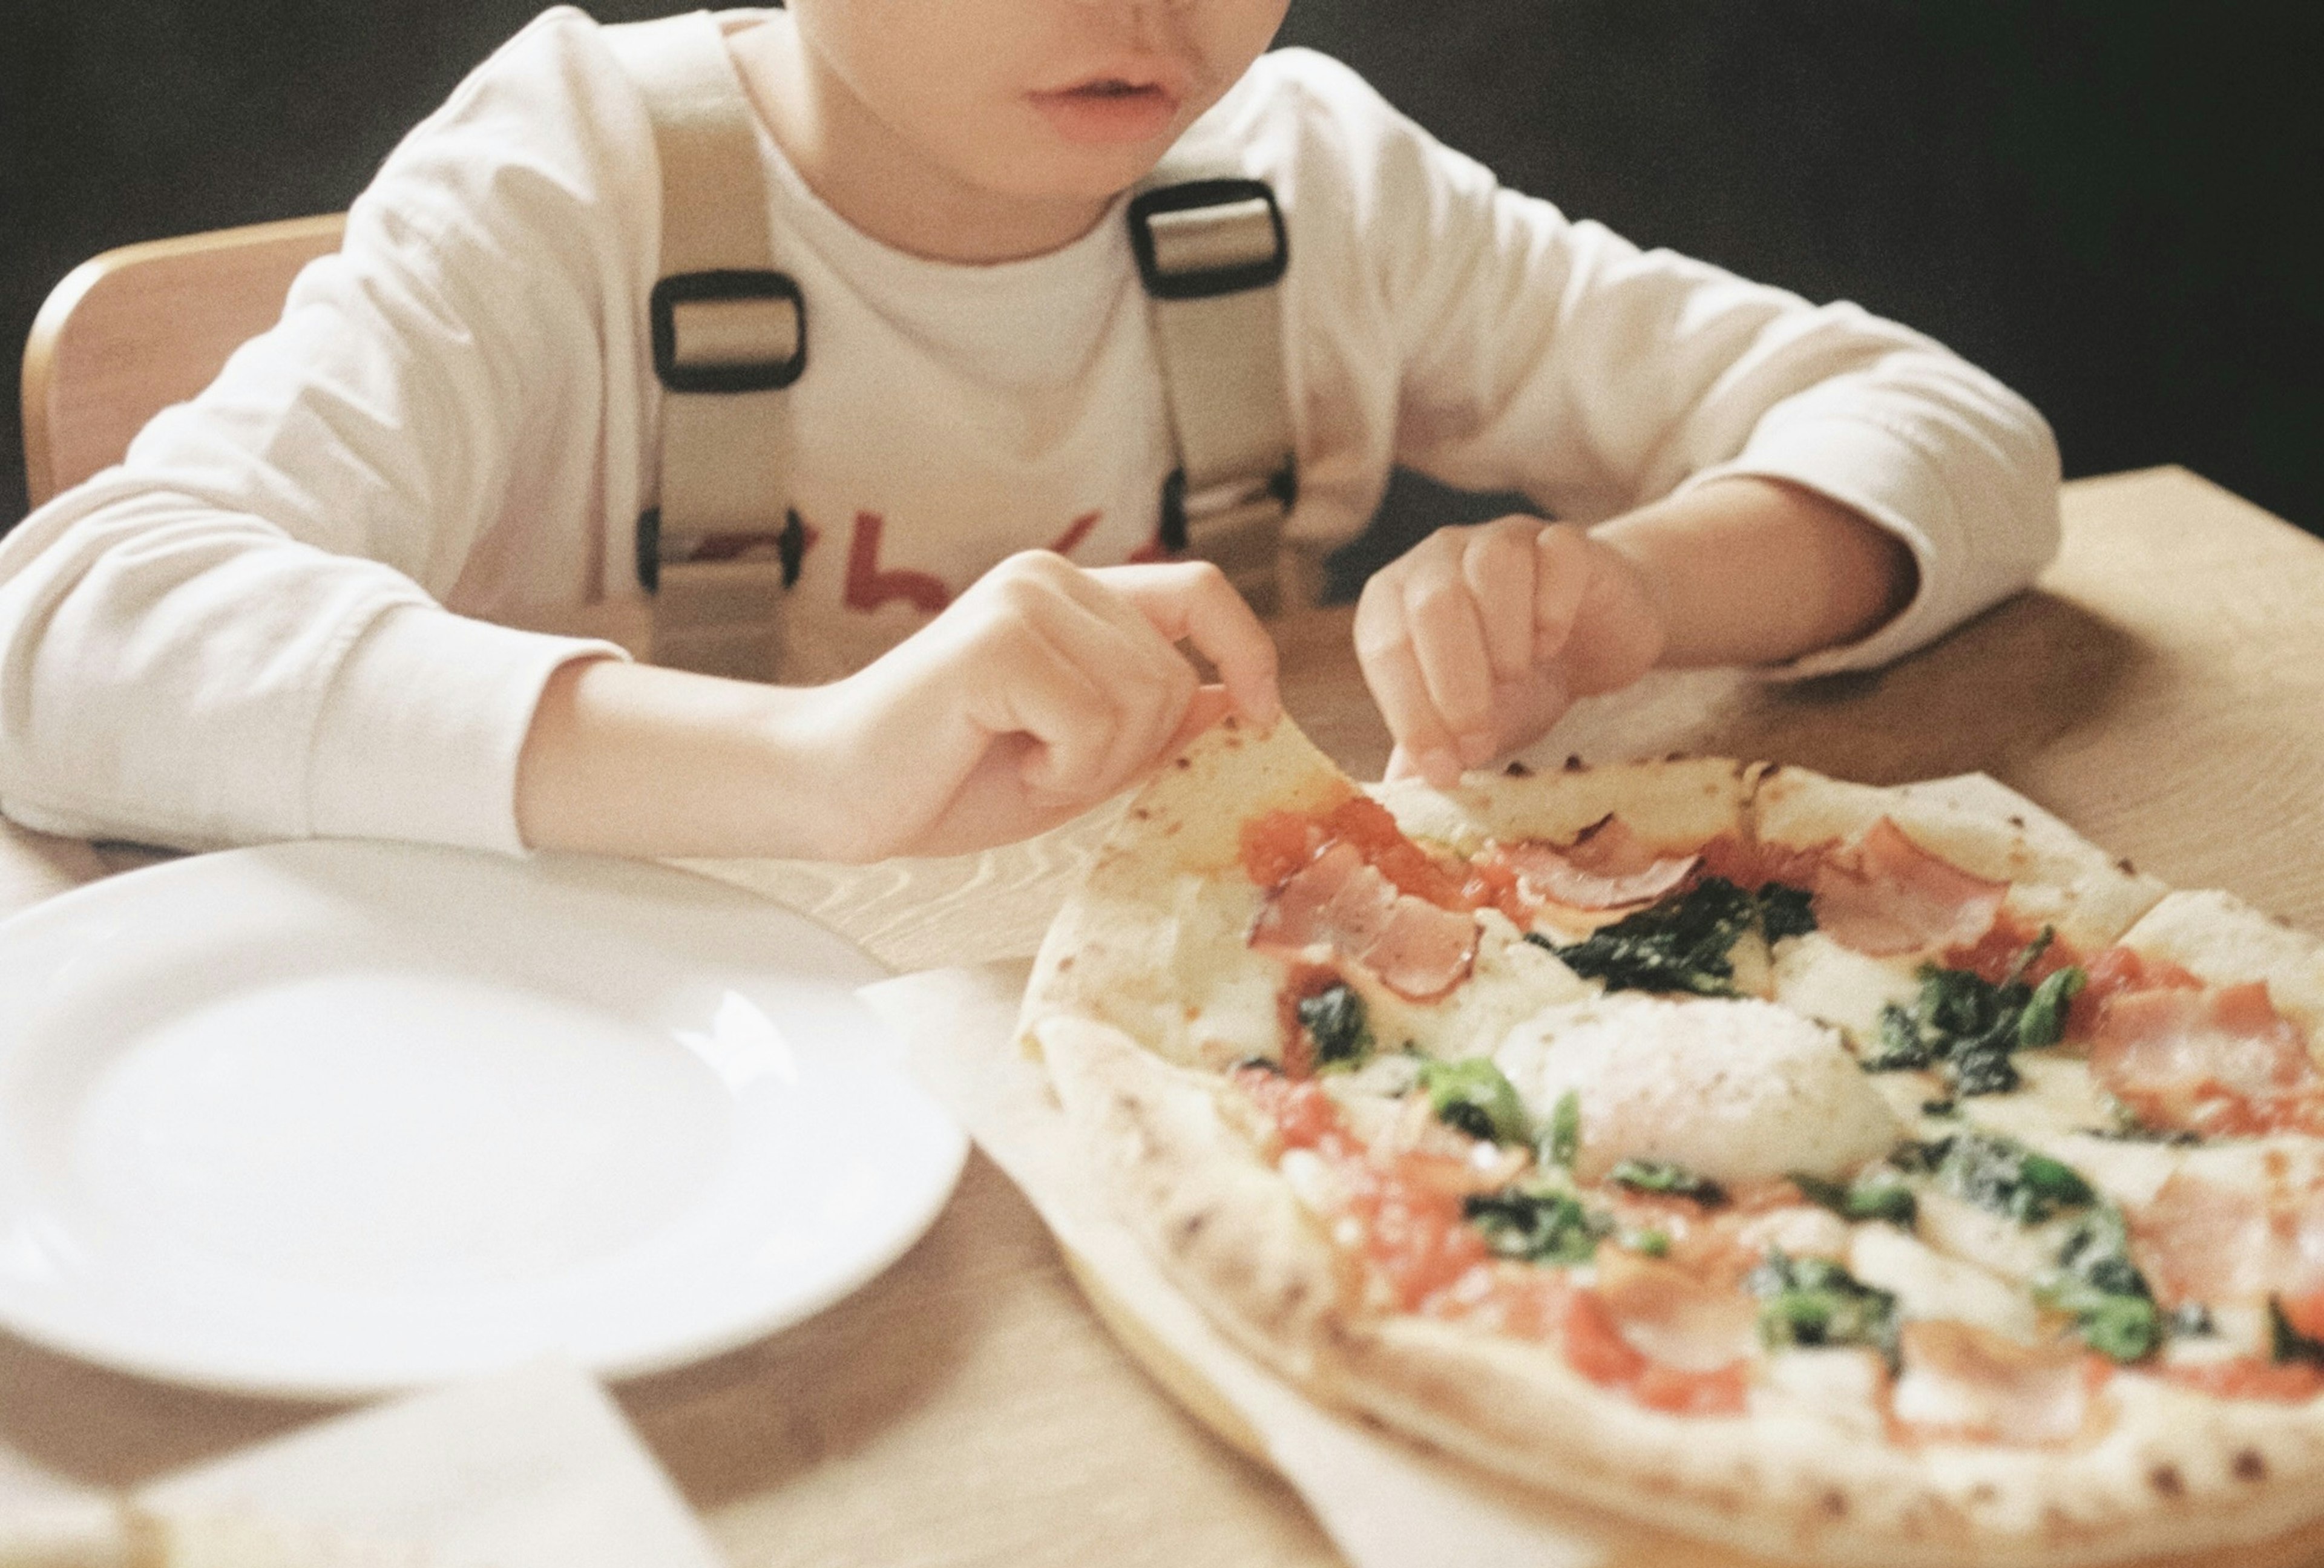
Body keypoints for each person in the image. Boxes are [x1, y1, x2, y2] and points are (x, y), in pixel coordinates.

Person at [0, 0, 2056, 865]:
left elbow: (1951, 430)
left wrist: (1630, 590)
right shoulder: (578, 188)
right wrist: (810, 761)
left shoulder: (1306, 186)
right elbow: (66, 626)